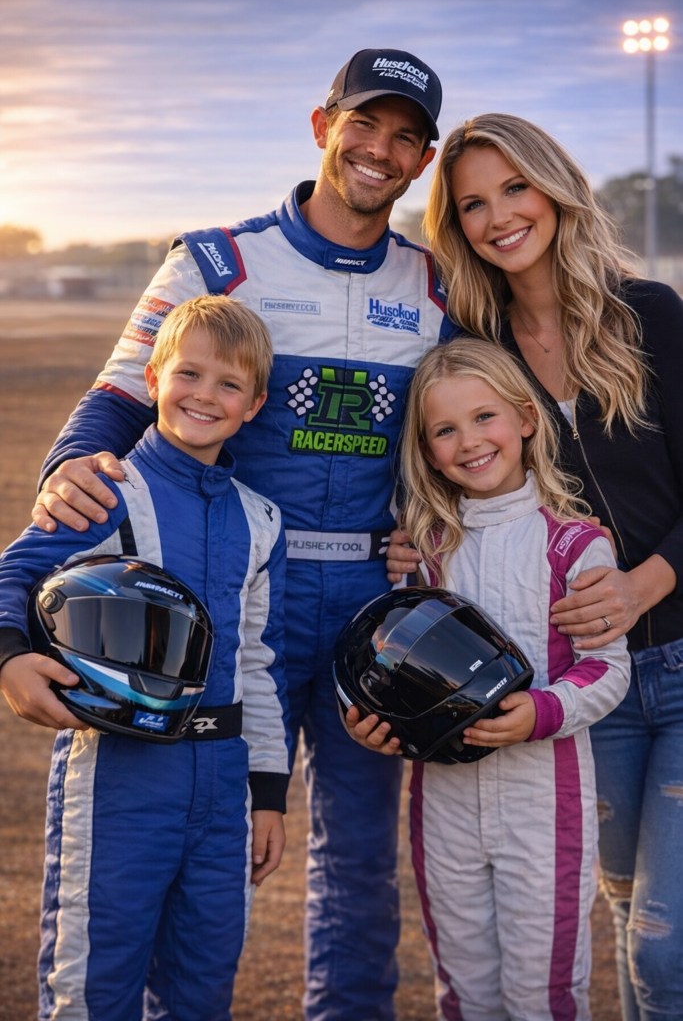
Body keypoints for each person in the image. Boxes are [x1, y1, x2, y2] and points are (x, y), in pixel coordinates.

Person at [26, 49, 457, 1020]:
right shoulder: (216, 259)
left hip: (365, 610)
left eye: (403, 137)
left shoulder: (436, 286)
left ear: (421, 159)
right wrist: (64, 475)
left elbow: (469, 430)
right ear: (321, 125)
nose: (378, 150)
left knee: (355, 862)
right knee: (181, 847)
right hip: (232, 603)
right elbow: (120, 393)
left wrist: (423, 535)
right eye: (363, 125)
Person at [386, 113, 683, 1020]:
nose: (498, 216)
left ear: (554, 187)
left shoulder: (651, 315)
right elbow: (452, 476)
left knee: (665, 948)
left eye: (514, 187)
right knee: (624, 908)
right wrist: (416, 539)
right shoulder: (475, 347)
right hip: (578, 689)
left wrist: (643, 584)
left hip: (674, 659)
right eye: (471, 202)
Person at [0, 295, 289, 1020]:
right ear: (154, 379)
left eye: (229, 384)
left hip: (222, 791)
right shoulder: (105, 489)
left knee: (201, 989)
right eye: (189, 373)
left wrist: (268, 795)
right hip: (120, 777)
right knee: (93, 986)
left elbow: (257, 661)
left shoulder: (261, 519)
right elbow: (11, 575)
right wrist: (8, 658)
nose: (205, 395)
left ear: (253, 404)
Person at [349, 338, 631, 1020]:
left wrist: (537, 711)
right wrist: (372, 721)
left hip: (546, 805)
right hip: (441, 803)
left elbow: (605, 670)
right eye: (444, 429)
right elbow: (389, 668)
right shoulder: (423, 548)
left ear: (526, 419)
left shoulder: (575, 542)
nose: (468, 441)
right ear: (425, 447)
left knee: (541, 995)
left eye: (485, 418)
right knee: (465, 991)